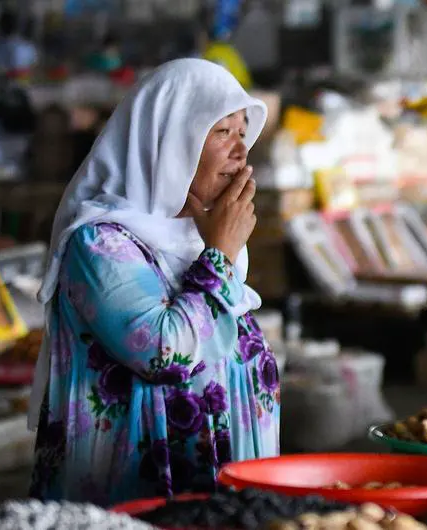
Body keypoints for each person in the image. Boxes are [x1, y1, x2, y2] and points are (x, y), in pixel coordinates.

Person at [27, 59, 279, 504]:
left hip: (219, 495)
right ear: (168, 142)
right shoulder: (98, 243)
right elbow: (165, 353)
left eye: (243, 133)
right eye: (222, 132)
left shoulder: (196, 235)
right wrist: (219, 254)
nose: (241, 152)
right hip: (134, 501)